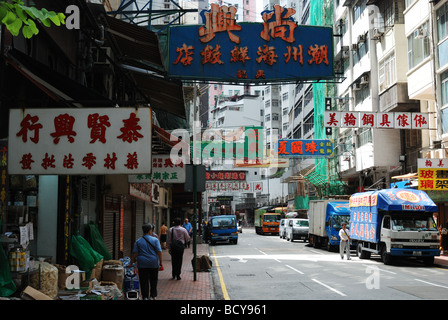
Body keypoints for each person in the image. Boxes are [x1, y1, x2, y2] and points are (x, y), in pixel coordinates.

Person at [131, 223, 163, 300]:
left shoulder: (138, 241)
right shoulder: (155, 240)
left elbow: (134, 253)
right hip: (153, 263)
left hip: (142, 263)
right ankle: (152, 296)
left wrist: (132, 262)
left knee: (143, 280)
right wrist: (161, 262)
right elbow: (159, 251)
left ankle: (145, 296)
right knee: (153, 280)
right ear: (150, 231)